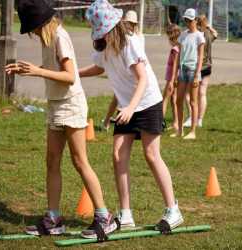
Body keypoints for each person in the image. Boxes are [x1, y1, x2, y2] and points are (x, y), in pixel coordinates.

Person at [5, 0, 117, 240]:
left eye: (32, 28)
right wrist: (27, 69)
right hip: (55, 104)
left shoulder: (60, 36)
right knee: (52, 161)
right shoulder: (48, 38)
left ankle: (104, 217)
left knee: (79, 161)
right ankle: (53, 219)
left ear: (40, 23)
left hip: (71, 104)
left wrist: (37, 71)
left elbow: (69, 76)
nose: (32, 33)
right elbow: (54, 69)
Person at [79, 0, 183, 232]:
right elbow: (98, 68)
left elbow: (143, 78)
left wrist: (130, 108)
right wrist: (74, 74)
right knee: (117, 154)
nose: (96, 35)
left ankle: (173, 210)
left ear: (110, 27)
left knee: (151, 155)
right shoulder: (104, 45)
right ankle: (125, 214)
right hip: (128, 106)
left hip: (146, 102)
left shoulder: (129, 43)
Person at [173, 8, 205, 139]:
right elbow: (178, 55)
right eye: (186, 20)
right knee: (178, 100)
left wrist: (197, 74)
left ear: (195, 20)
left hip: (193, 70)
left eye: (190, 20)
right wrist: (175, 74)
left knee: (193, 101)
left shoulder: (199, 36)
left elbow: (201, 56)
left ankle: (193, 131)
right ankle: (180, 130)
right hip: (182, 69)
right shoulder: (183, 35)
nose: (187, 22)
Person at [183, 15, 217, 128]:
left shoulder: (197, 35)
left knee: (188, 94)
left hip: (197, 67)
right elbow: (216, 34)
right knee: (202, 93)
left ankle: (191, 117)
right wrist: (209, 27)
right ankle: (200, 120)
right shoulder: (208, 34)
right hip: (208, 67)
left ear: (196, 22)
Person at [162, 23, 181, 131]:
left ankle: (160, 122)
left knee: (164, 99)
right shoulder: (180, 47)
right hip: (176, 78)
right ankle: (176, 123)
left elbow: (175, 65)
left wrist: (172, 80)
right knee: (173, 100)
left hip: (172, 78)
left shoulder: (175, 49)